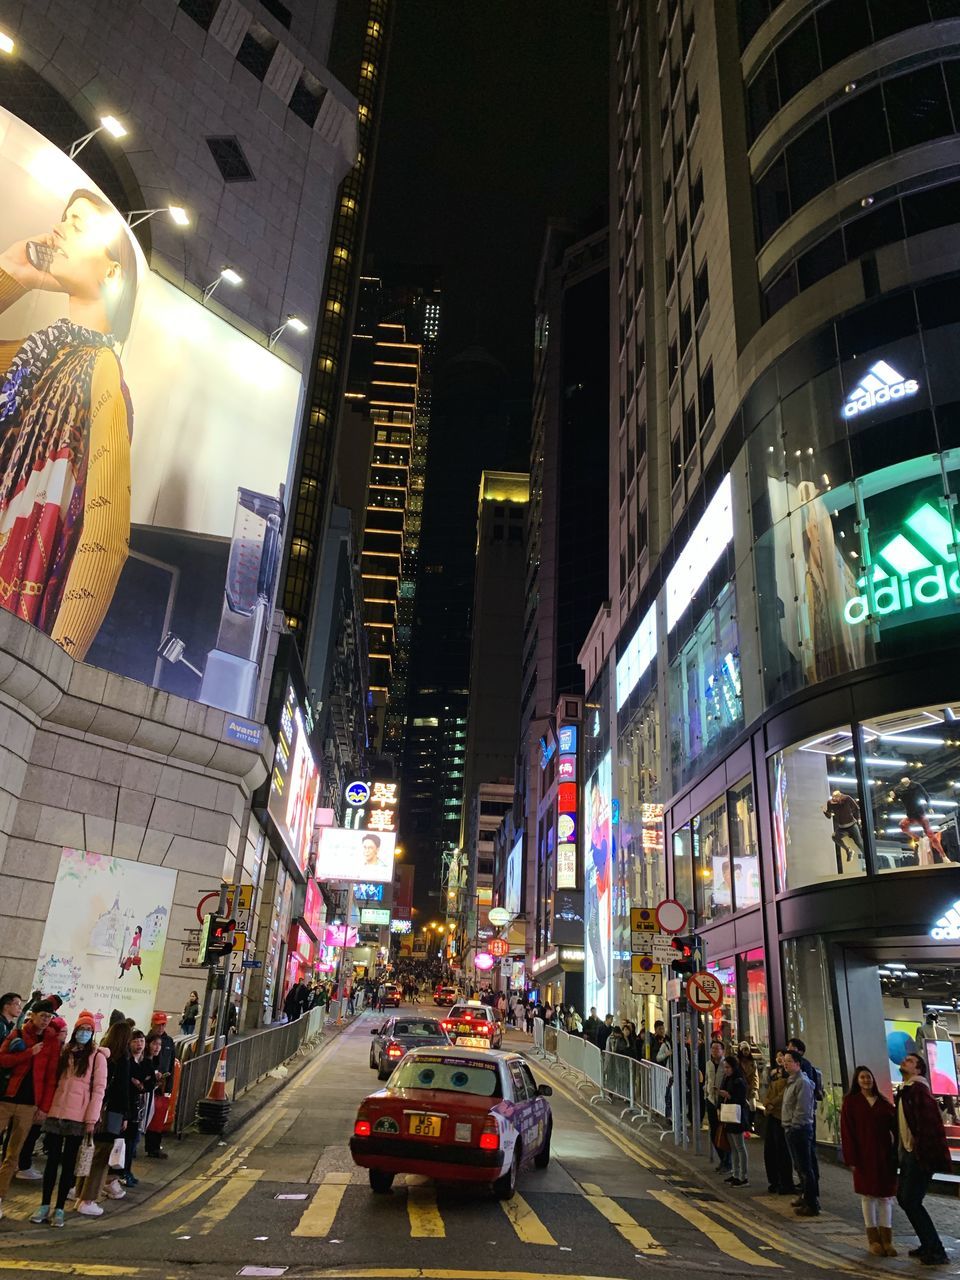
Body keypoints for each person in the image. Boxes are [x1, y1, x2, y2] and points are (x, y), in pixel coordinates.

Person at [0, 188, 139, 661]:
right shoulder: (35, 357)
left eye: (78, 225)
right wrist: (13, 274)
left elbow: (105, 533)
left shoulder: (99, 369)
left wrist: (56, 663)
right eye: (64, 219)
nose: (59, 227)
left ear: (111, 271)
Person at [30, 1011, 107, 1228]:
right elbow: (52, 1081)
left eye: (88, 1030)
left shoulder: (97, 1057)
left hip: (78, 1118)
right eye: (82, 1029)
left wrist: (91, 1119)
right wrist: (44, 1108)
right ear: (75, 1030)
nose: (84, 1033)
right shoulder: (65, 1051)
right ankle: (44, 1205)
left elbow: (99, 1090)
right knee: (51, 1162)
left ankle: (60, 1208)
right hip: (56, 1113)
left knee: (68, 1164)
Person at [0, 997, 59, 1215]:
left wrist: (44, 1107)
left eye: (49, 1017)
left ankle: (0, 1196)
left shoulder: (53, 1042)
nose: (45, 1021)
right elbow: (2, 1059)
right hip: (6, 1099)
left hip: (29, 1105)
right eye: (42, 1016)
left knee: (12, 1155)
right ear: (32, 1015)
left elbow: (51, 1077)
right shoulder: (17, 1034)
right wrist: (28, 1053)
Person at [896, 1052, 951, 1265]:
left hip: (919, 1155)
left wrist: (920, 1156)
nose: (904, 1062)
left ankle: (936, 1250)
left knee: (910, 1200)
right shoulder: (906, 1090)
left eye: (910, 1061)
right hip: (910, 1154)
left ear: (918, 1069)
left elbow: (928, 1127)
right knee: (905, 1198)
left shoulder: (919, 1091)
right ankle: (928, 1244)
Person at [76, 1020, 133, 1216]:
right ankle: (88, 1199)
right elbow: (122, 1089)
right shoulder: (123, 1059)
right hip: (112, 1114)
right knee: (101, 1158)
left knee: (88, 1153)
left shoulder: (100, 1055)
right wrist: (126, 1114)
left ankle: (80, 1194)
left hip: (93, 1110)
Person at [840, 1065, 898, 1258]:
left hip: (884, 1156)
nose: (866, 1080)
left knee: (885, 1197)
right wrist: (851, 1158)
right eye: (863, 1077)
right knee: (868, 1196)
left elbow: (895, 1129)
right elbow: (847, 1132)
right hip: (863, 1155)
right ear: (857, 1081)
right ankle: (873, 1239)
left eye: (869, 1077)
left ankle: (887, 1239)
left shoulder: (884, 1103)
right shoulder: (851, 1102)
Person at [782, 1048, 819, 1216]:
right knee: (799, 1167)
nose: (785, 1064)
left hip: (800, 1129)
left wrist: (793, 1126)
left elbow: (802, 1109)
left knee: (805, 1168)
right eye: (785, 1061)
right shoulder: (792, 1081)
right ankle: (804, 1196)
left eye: (789, 1061)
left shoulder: (802, 1082)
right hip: (792, 1128)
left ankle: (811, 1203)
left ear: (798, 1064)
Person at [761, 1054, 794, 1195]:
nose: (781, 1060)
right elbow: (767, 1092)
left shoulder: (789, 1078)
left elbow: (783, 1096)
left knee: (782, 1151)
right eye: (780, 1057)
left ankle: (785, 1183)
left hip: (781, 1117)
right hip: (771, 1115)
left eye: (785, 1058)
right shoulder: (774, 1074)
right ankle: (773, 1181)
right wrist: (766, 1103)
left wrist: (771, 1104)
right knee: (770, 1150)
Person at [717, 1054, 749, 1186]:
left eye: (728, 1067)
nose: (726, 1070)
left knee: (740, 1147)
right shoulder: (727, 1079)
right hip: (728, 1116)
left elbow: (741, 1100)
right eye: (724, 1067)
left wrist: (729, 1095)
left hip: (737, 1116)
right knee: (733, 1148)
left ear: (734, 1067)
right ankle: (735, 1174)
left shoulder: (739, 1080)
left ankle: (743, 1176)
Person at [704, 1039, 731, 1173]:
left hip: (723, 1102)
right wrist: (707, 1091)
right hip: (711, 1100)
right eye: (713, 1048)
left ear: (723, 1051)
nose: (715, 1051)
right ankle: (722, 1159)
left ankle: (728, 1161)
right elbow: (708, 1079)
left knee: (724, 1133)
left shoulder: (726, 1064)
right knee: (714, 1132)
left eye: (717, 1049)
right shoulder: (709, 1064)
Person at [738, 1042, 760, 1131]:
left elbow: (755, 1076)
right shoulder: (737, 1062)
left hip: (750, 1087)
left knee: (752, 1106)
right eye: (744, 1050)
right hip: (741, 1087)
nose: (745, 1052)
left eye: (747, 1049)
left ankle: (751, 1123)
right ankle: (743, 1123)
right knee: (742, 1106)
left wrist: (755, 1088)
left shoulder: (753, 1063)